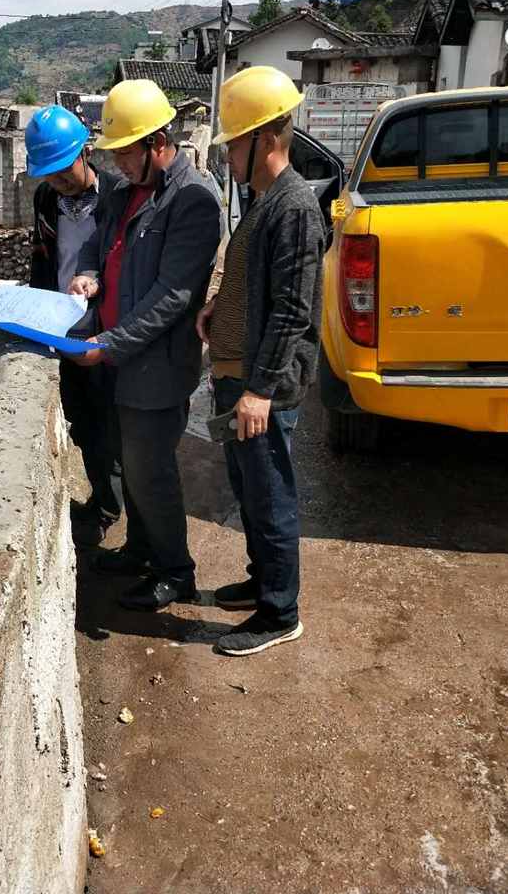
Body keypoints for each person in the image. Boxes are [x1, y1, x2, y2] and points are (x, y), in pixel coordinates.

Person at [67, 79, 222, 612]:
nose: (118, 163)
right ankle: (139, 549)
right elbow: (96, 244)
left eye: (125, 153)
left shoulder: (194, 200)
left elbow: (172, 297)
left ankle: (176, 571)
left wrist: (110, 344)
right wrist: (89, 275)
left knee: (151, 472)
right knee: (129, 466)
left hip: (153, 367)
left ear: (157, 142)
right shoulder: (123, 191)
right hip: (115, 360)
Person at [196, 65, 325, 656]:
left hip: (260, 387)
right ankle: (262, 580)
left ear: (266, 140)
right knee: (249, 490)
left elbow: (293, 309)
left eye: (233, 145)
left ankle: (280, 612)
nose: (227, 157)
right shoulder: (265, 201)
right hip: (238, 376)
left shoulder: (294, 207)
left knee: (270, 496)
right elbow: (252, 279)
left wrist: (260, 391)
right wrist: (217, 308)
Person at [25, 104, 123, 548]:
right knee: (81, 423)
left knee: (110, 426)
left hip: (105, 330)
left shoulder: (117, 195)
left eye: (64, 171)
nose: (60, 182)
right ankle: (103, 499)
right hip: (62, 329)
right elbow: (42, 258)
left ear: (85, 153)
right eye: (50, 175)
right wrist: (34, 312)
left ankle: (110, 509)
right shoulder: (46, 200)